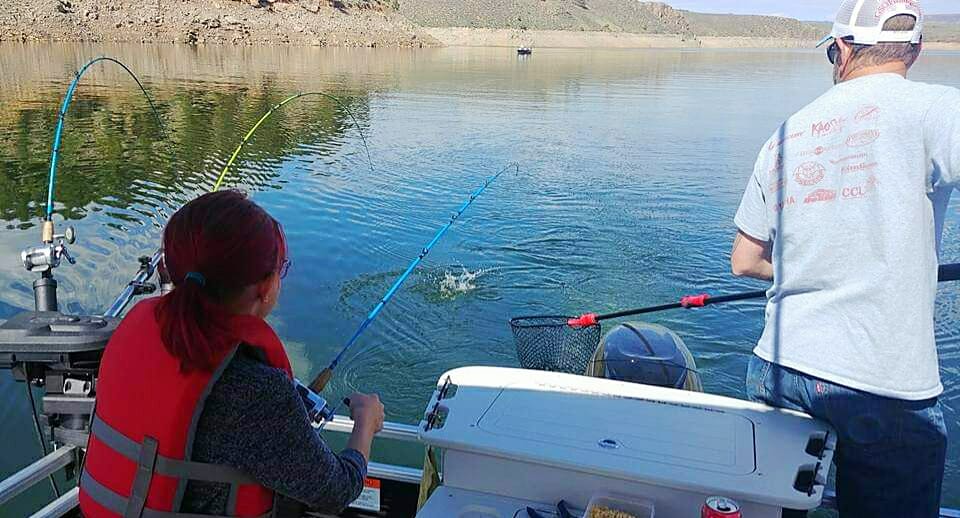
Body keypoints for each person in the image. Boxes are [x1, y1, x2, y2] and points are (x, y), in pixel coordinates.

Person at [731, 1, 958, 516]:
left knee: (776, 507)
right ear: (916, 50)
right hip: (882, 380)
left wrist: (809, 268)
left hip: (779, 366)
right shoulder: (934, 109)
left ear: (841, 50)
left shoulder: (786, 132)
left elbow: (745, 260)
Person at [79, 190, 385, 517]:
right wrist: (366, 422)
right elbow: (335, 491)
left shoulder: (134, 334)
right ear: (265, 288)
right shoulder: (257, 392)